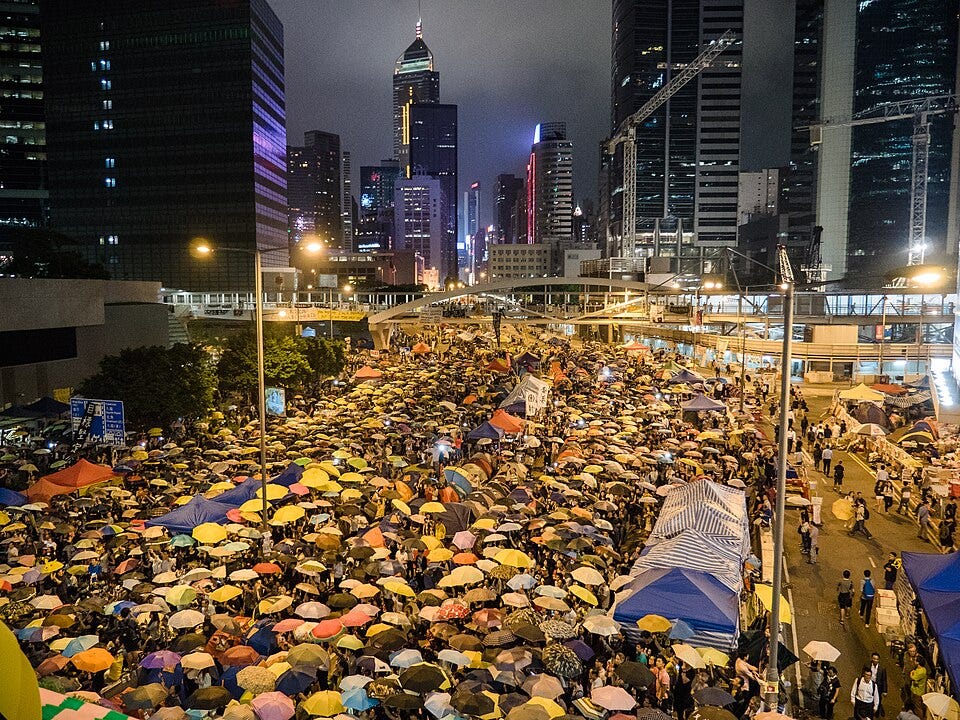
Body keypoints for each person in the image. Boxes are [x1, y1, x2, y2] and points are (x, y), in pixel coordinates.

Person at [869, 652, 889, 717]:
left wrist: (885, 691)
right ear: (872, 658)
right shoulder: (867, 665)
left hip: (878, 687)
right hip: (870, 685)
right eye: (874, 659)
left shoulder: (882, 668)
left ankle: (876, 713)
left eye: (877, 659)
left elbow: (884, 680)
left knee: (878, 700)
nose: (875, 660)